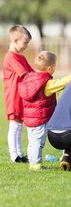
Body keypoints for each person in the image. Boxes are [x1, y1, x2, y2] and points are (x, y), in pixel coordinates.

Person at [18, 51, 71, 170]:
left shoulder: (30, 79)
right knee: (38, 142)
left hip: (29, 118)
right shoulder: (45, 83)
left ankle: (32, 163)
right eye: (54, 66)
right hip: (40, 118)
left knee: (32, 141)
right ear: (49, 68)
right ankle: (36, 164)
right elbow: (60, 83)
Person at [2, 25, 34, 163]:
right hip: (14, 96)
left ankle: (20, 154)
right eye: (25, 43)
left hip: (21, 97)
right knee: (14, 125)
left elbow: (32, 72)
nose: (26, 46)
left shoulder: (21, 57)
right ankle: (14, 155)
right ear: (15, 40)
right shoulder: (11, 56)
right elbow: (25, 74)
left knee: (19, 125)